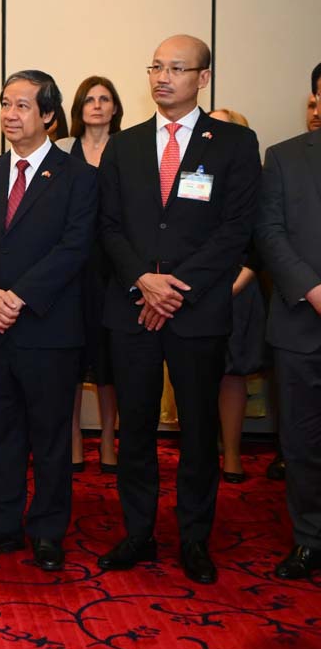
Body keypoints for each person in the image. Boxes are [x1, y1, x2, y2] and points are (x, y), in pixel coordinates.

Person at [96, 35, 261, 585]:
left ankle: (194, 538)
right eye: (156, 67)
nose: (162, 77)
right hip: (134, 307)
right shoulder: (125, 145)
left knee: (196, 430)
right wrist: (144, 280)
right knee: (136, 429)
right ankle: (138, 533)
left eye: (177, 68)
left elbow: (237, 229)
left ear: (203, 78)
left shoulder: (234, 143)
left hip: (197, 311)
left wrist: (177, 288)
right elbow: (109, 226)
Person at [0, 70, 97, 572]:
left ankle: (49, 530)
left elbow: (76, 246)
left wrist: (19, 296)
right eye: (5, 104)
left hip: (46, 328)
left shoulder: (77, 176)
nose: (11, 114)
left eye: (23, 106)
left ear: (49, 115)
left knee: (51, 437)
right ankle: (0, 524)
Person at [255, 64, 321, 580]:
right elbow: (270, 235)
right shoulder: (284, 158)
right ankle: (310, 538)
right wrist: (314, 288)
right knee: (302, 441)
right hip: (303, 320)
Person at [58, 76, 124, 474]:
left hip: (113, 266)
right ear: (79, 108)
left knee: (109, 359)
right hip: (70, 266)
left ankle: (108, 438)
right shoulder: (64, 150)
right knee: (68, 356)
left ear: (116, 107)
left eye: (105, 99)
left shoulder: (129, 147)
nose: (97, 106)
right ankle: (73, 439)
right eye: (90, 99)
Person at [209, 108, 266, 484]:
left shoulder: (255, 180)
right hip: (192, 290)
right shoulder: (192, 175)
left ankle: (231, 455)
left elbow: (261, 241)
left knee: (232, 374)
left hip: (237, 288)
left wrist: (232, 287)